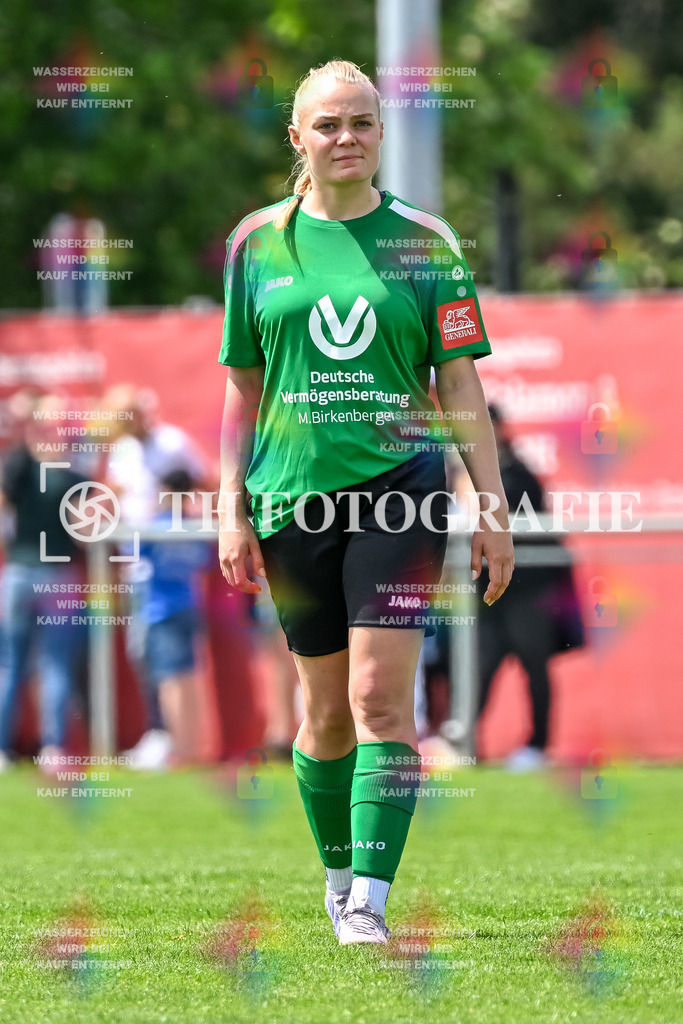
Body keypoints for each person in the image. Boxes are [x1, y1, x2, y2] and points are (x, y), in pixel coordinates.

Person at [218, 60, 514, 945]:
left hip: (401, 494)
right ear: (296, 138)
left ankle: (368, 906)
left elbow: (457, 383)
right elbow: (242, 387)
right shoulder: (256, 244)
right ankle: (337, 874)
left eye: (362, 123)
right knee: (325, 713)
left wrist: (489, 507)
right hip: (288, 500)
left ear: (381, 133)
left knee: (385, 701)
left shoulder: (426, 241)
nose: (346, 138)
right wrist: (229, 507)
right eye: (328, 125)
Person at [474, 405, 584, 770]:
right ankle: (465, 743)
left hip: (529, 589)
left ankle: (537, 746)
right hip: (489, 594)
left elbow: (512, 519)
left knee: (534, 664)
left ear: (502, 430)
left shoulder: (519, 474)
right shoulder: (463, 473)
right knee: (479, 666)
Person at [0, 393, 85, 774]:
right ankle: (50, 748)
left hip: (30, 574)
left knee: (20, 665)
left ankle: (32, 748)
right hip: (46, 576)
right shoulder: (64, 471)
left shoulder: (23, 464)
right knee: (46, 664)